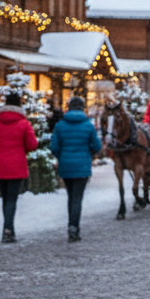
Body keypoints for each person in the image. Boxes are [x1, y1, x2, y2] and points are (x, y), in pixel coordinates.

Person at [0, 92, 37, 243]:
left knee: (5, 198)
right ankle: (8, 229)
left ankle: (8, 228)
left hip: (0, 166)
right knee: (12, 199)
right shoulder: (24, 123)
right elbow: (32, 145)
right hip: (17, 166)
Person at [50, 95, 101, 242]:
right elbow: (96, 146)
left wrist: (62, 157)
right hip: (82, 166)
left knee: (71, 196)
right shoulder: (88, 125)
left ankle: (71, 224)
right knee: (77, 198)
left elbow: (54, 147)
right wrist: (88, 154)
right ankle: (74, 227)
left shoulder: (60, 125)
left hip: (66, 165)